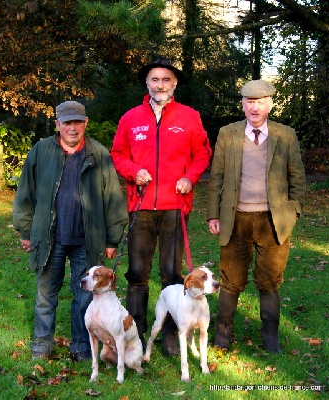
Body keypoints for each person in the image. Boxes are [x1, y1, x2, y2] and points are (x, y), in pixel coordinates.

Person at [111, 56, 212, 355]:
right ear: (147, 83)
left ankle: (172, 335)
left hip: (174, 206)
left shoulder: (189, 116)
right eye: (155, 79)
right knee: (137, 274)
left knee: (171, 275)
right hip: (140, 206)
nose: (160, 85)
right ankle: (135, 334)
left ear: (175, 83)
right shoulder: (131, 118)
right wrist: (133, 171)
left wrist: (190, 177)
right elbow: (118, 154)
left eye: (166, 80)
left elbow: (202, 154)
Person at [13, 100, 127, 361]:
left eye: (78, 122)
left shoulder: (98, 154)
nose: (72, 128)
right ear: (58, 124)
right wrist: (25, 231)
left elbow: (112, 198)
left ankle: (82, 346)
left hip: (87, 239)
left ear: (85, 123)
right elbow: (25, 194)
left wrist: (112, 238)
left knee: (85, 296)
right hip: (49, 237)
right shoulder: (41, 151)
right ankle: (42, 344)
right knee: (46, 293)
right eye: (67, 123)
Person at [206, 79, 306, 353]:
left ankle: (270, 337)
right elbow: (216, 178)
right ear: (242, 104)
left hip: (273, 222)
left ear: (270, 104)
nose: (254, 107)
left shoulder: (285, 134)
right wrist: (213, 213)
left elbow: (297, 177)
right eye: (249, 101)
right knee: (231, 280)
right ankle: (222, 335)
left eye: (260, 101)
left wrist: (293, 210)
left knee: (269, 280)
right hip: (236, 219)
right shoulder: (228, 133)